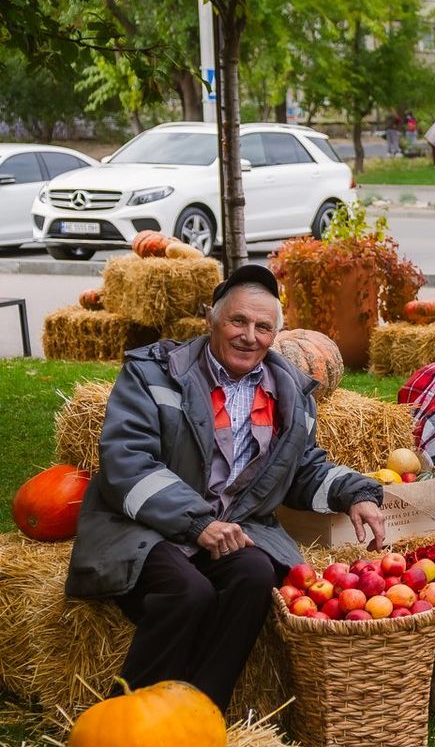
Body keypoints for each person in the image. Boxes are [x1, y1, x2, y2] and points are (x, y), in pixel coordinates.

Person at [66, 265, 386, 709]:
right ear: (211, 320)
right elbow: (128, 462)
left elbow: (301, 469)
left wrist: (356, 492)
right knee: (189, 593)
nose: (248, 336)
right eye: (238, 321)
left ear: (277, 333)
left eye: (263, 327)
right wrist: (197, 522)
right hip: (145, 526)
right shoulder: (154, 373)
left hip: (228, 526)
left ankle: (201, 709)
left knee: (255, 575)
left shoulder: (291, 391)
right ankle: (126, 715)